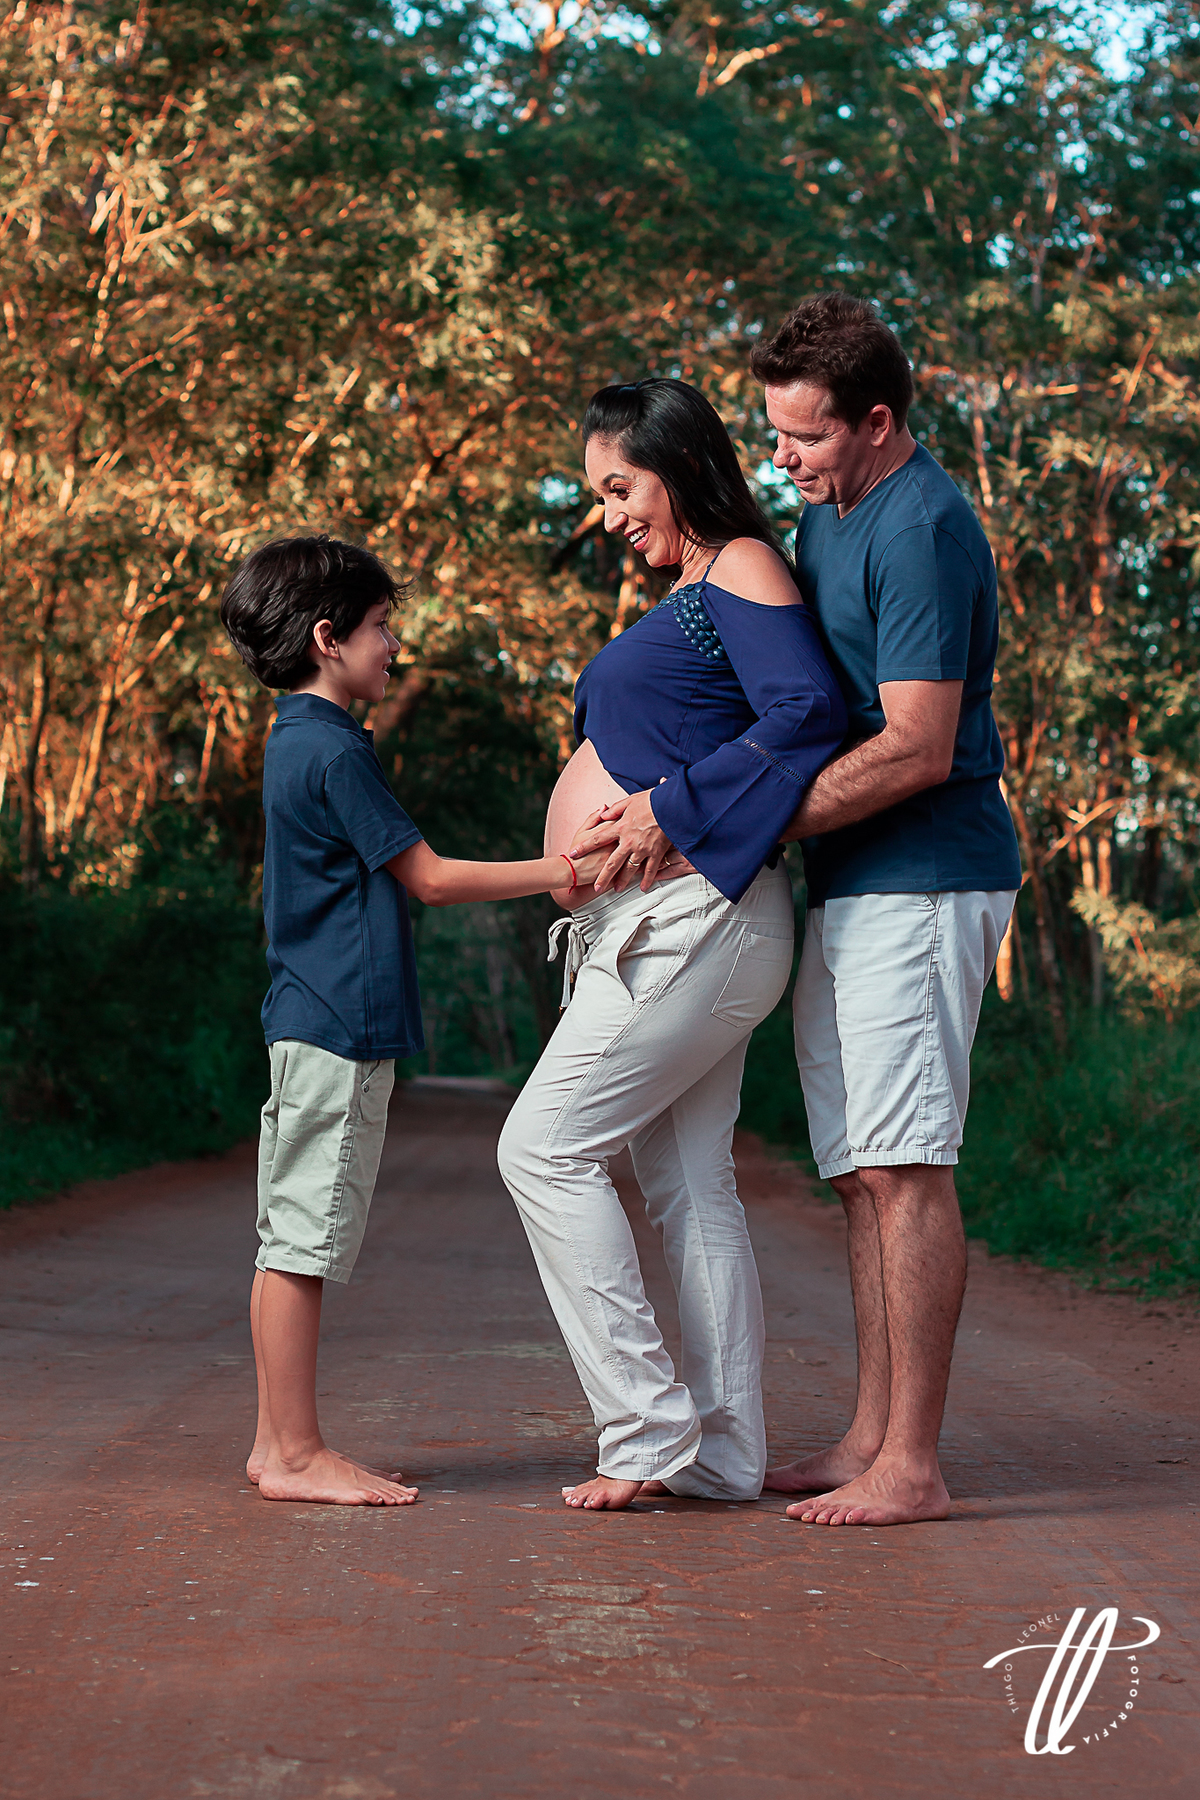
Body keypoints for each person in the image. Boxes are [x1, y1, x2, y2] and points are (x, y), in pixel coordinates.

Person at [497, 379, 846, 1511]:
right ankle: (723, 1453)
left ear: (679, 463)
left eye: (619, 488)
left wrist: (669, 809)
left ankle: (645, 1426)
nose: (607, 516)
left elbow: (808, 711)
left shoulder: (739, 563)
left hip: (699, 921)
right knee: (693, 1186)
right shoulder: (697, 588)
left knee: (542, 1150)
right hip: (667, 928)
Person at [219, 535, 608, 1506]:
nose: (394, 645)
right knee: (303, 1241)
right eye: (382, 627)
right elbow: (429, 878)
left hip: (304, 1016)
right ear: (328, 639)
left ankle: (275, 1445)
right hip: (338, 1023)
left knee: (286, 1237)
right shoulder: (334, 749)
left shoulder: (293, 738)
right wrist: (567, 870)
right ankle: (297, 1454)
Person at [749, 292, 1022, 1527]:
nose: (784, 457)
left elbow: (917, 745)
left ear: (875, 421)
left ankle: (913, 1463)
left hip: (927, 877)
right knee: (860, 1172)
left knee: (908, 1169)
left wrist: (747, 821)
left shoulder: (921, 528)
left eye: (805, 435)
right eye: (775, 432)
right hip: (854, 881)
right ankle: (868, 1435)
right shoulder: (833, 512)